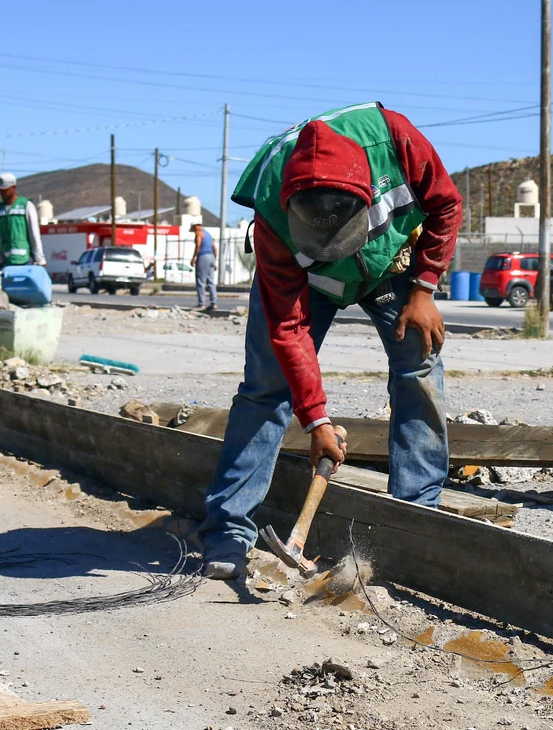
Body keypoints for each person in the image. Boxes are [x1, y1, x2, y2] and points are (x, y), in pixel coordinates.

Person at [197, 102, 461, 579]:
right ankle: (228, 532)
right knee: (266, 390)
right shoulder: (272, 213)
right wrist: (315, 419)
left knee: (419, 367)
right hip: (307, 284)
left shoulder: (394, 138)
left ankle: (415, 522)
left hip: (389, 265)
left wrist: (423, 288)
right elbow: (288, 329)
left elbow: (445, 203)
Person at [0, 173, 46, 269]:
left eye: (5, 190)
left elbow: (34, 233)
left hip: (25, 260)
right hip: (7, 262)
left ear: (13, 188)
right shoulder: (0, 208)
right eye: (0, 190)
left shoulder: (26, 205)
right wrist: (0, 259)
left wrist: (40, 259)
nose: (1, 193)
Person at [189, 222, 218, 310]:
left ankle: (201, 303)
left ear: (196, 226)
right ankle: (214, 303)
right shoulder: (208, 234)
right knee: (211, 282)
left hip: (203, 256)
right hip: (211, 256)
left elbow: (198, 245)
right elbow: (215, 249)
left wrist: (194, 258)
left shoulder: (199, 233)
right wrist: (214, 261)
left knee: (201, 281)